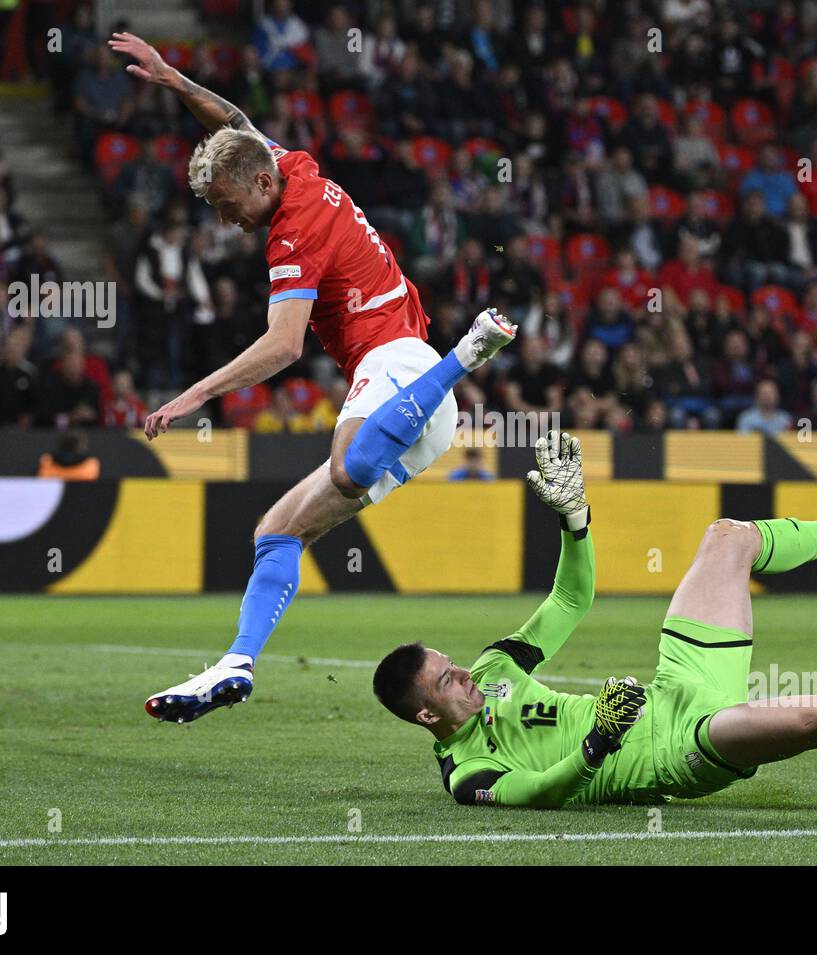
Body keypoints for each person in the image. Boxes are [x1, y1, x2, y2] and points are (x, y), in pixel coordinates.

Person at [109, 33, 518, 723]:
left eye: (227, 202)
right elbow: (235, 125)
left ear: (262, 186)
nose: (224, 218)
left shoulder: (292, 229)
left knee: (347, 467)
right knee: (276, 533)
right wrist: (175, 81)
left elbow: (283, 345)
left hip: (406, 370)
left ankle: (470, 351)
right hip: (407, 410)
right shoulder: (289, 165)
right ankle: (237, 661)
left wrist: (196, 393)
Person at [373, 434, 817, 814]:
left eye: (450, 660)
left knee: (729, 536)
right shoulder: (466, 774)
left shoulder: (495, 668)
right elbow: (540, 793)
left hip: (676, 685)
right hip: (678, 749)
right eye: (447, 677)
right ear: (427, 715)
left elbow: (570, 602)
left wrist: (574, 523)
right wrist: (595, 743)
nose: (464, 670)